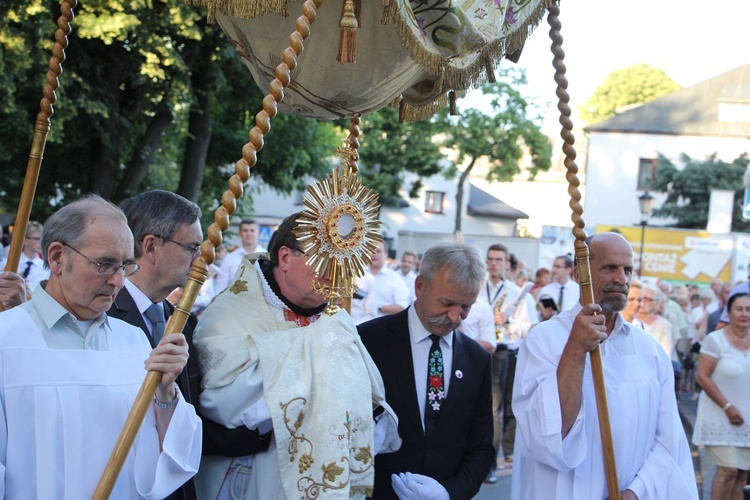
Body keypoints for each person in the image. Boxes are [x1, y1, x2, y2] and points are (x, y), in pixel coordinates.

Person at [0, 194, 201, 498]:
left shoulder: (133, 341)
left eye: (125, 266)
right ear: (57, 258)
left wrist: (165, 392)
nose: (119, 281)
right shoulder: (7, 340)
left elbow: (171, 458)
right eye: (105, 264)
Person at [192, 213, 399, 499]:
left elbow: (365, 395)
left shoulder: (337, 320)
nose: (335, 273)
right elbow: (222, 406)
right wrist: (314, 356)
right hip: (250, 477)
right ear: (286, 257)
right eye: (325, 260)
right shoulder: (229, 313)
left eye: (342, 261)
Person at [107, 190, 270, 500]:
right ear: (151, 246)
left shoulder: (180, 320)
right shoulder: (103, 317)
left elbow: (191, 417)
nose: (200, 261)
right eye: (191, 247)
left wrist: (267, 429)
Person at [512, 232, 697, 499]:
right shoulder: (543, 341)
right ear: (579, 274)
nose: (621, 279)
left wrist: (637, 491)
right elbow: (546, 434)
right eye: (610, 268)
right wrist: (575, 348)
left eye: (628, 270)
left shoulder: (650, 351)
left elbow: (668, 441)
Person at [358, 241, 494, 499]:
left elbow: (481, 448)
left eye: (466, 307)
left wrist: (449, 494)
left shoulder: (477, 360)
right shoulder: (368, 341)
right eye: (447, 303)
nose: (455, 317)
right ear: (420, 286)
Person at [477, 243, 537, 482]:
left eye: (498, 259)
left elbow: (529, 328)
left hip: (502, 352)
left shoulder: (516, 293)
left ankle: (489, 464)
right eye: (490, 259)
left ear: (507, 264)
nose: (493, 263)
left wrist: (509, 321)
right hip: (475, 347)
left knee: (494, 410)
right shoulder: (476, 286)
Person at [692, 292, 750, 500]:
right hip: (721, 415)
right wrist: (727, 406)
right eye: (740, 309)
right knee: (729, 471)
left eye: (749, 309)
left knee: (743, 475)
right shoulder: (715, 340)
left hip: (747, 420)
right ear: (730, 312)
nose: (745, 314)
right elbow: (702, 377)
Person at [351, 240, 410, 324]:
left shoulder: (395, 279)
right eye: (371, 251)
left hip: (384, 325)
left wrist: (376, 306)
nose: (374, 254)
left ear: (386, 254)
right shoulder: (357, 275)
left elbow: (402, 306)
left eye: (378, 251)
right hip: (356, 324)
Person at [214, 218, 266, 293]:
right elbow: (220, 287)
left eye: (252, 230)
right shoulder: (230, 258)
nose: (249, 233)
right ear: (240, 233)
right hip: (234, 302)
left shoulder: (266, 257)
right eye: (245, 230)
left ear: (258, 233)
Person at [538, 255, 580, 319]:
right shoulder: (545, 290)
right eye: (553, 266)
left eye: (558, 267)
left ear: (568, 270)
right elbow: (536, 314)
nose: (554, 269)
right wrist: (542, 314)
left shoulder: (578, 290)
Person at [18, 220, 49, 293]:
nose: (41, 242)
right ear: (25, 240)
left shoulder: (47, 268)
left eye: (42, 239)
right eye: (37, 239)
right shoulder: (9, 264)